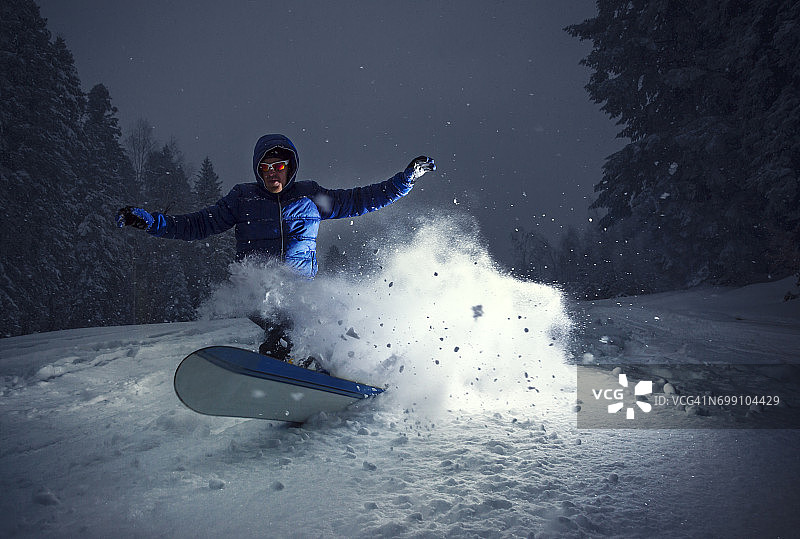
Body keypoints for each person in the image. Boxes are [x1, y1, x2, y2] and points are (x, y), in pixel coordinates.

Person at [117, 133, 435, 368]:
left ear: (289, 167)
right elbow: (198, 224)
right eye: (266, 166)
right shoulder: (242, 199)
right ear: (258, 169)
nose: (272, 172)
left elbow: (360, 199)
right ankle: (286, 367)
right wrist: (150, 223)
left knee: (324, 332)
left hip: (300, 290)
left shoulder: (310, 196)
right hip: (261, 293)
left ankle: (331, 372)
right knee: (280, 333)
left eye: (278, 165)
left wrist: (404, 180)